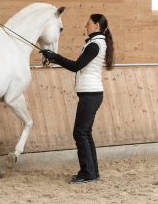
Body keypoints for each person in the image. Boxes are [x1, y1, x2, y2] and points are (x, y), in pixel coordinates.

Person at [40, 14, 114, 184]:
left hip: (91, 94)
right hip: (91, 93)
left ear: (96, 25)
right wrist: (53, 56)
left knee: (80, 133)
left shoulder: (95, 45)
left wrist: (54, 56)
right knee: (85, 133)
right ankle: (92, 172)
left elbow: (76, 66)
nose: (85, 27)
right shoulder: (95, 43)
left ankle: (88, 173)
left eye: (88, 24)